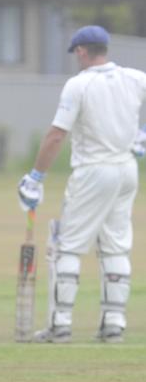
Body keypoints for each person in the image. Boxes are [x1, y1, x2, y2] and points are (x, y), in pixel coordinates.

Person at [18, 25, 146, 344]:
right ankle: (114, 323)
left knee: (69, 246)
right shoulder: (135, 77)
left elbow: (56, 134)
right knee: (115, 245)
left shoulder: (80, 84)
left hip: (93, 171)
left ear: (81, 51)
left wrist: (36, 177)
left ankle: (60, 323)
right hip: (127, 170)